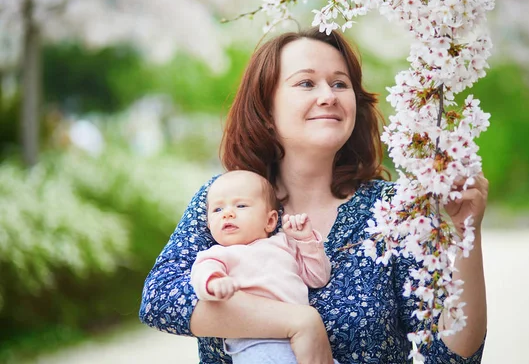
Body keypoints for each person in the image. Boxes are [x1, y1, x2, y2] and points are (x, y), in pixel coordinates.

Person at [139, 26, 488, 364]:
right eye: (306, 83)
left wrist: (466, 231)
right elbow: (161, 299)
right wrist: (299, 322)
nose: (328, 96)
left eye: (340, 83)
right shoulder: (227, 199)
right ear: (266, 110)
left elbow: (449, 357)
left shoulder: (396, 209)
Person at [190, 169, 337, 364]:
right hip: (256, 343)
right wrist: (214, 283)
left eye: (241, 205)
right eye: (217, 210)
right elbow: (201, 274)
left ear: (270, 221)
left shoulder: (285, 244)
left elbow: (318, 278)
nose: (227, 214)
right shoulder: (217, 254)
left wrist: (306, 241)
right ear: (209, 225)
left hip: (303, 343)